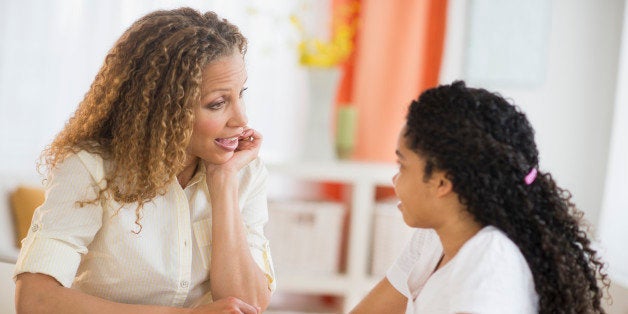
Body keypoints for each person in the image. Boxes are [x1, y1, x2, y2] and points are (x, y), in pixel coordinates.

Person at [14, 8, 275, 314]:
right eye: (217, 103)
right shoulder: (91, 168)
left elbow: (249, 305)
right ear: (163, 109)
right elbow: (36, 300)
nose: (241, 119)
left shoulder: (245, 171)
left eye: (240, 93)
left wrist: (224, 181)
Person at [351, 81, 609, 313]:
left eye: (402, 166)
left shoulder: (491, 264)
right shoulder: (435, 238)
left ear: (442, 182)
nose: (395, 180)